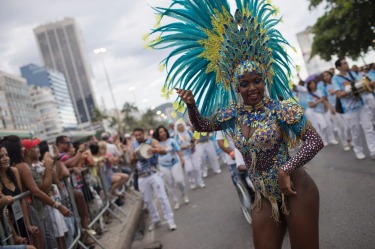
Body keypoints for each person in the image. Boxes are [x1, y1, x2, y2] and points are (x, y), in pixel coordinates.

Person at [148, 1, 324, 248]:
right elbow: (202, 126)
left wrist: (287, 168)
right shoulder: (233, 114)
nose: (252, 88)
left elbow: (316, 141)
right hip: (263, 197)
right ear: (236, 86)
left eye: (257, 81)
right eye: (244, 83)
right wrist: (191, 106)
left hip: (296, 191)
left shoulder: (282, 109)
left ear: (265, 80)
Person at [130, 128, 176, 231]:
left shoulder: (151, 141)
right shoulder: (133, 145)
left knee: (162, 198)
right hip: (142, 176)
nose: (137, 137)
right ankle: (155, 220)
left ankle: (170, 220)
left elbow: (163, 151)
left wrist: (154, 150)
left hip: (153, 173)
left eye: (139, 135)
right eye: (136, 135)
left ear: (143, 134)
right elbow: (130, 160)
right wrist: (136, 156)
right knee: (147, 201)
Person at [333, 58, 375, 160]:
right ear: (338, 67)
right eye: (344, 63)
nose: (346, 65)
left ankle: (373, 150)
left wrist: (367, 86)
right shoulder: (336, 79)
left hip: (362, 104)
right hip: (350, 109)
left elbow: (362, 84)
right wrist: (350, 91)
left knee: (369, 128)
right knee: (356, 132)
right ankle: (358, 151)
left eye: (346, 62)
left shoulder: (352, 74)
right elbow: (338, 94)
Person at [0, 145, 38, 248]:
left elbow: (21, 199)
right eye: (1, 156)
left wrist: (28, 224)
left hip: (20, 218)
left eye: (6, 155)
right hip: (7, 227)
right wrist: (15, 236)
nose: (5, 158)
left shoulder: (14, 171)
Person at [153, 125, 189, 210]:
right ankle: (176, 201)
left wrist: (182, 158)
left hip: (175, 163)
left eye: (164, 131)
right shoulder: (156, 145)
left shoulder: (172, 141)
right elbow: (155, 156)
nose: (163, 133)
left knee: (179, 180)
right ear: (158, 134)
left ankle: (183, 194)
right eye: (160, 132)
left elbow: (178, 150)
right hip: (163, 166)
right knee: (170, 184)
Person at [321, 71, 351, 150]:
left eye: (327, 74)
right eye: (324, 76)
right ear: (323, 78)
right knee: (340, 127)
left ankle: (349, 138)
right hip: (334, 109)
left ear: (330, 75)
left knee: (348, 125)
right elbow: (324, 100)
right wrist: (330, 108)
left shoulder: (336, 82)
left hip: (344, 106)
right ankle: (345, 144)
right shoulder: (324, 87)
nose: (326, 77)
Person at [174, 120, 205, 189]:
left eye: (181, 125)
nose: (180, 127)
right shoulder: (176, 136)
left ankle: (200, 182)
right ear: (177, 128)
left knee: (197, 167)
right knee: (189, 169)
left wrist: (194, 144)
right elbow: (176, 147)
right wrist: (183, 147)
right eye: (178, 126)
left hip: (193, 152)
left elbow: (195, 139)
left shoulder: (189, 132)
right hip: (184, 155)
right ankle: (192, 182)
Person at [306, 80, 338, 146]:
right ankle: (323, 139)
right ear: (309, 86)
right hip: (317, 112)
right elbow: (310, 105)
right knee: (324, 125)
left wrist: (330, 108)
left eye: (313, 83)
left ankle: (331, 138)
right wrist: (319, 101)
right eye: (311, 84)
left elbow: (325, 100)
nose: (313, 85)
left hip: (325, 110)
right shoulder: (309, 95)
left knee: (329, 125)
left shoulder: (320, 91)